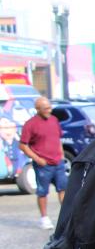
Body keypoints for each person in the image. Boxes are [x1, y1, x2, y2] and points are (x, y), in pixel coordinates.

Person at [19, 96, 66, 230]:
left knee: (63, 189)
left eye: (50, 107)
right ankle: (44, 218)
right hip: (43, 165)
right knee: (42, 191)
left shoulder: (54, 120)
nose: (49, 111)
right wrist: (37, 159)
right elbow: (23, 145)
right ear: (37, 109)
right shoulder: (30, 124)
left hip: (58, 162)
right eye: (45, 109)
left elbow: (58, 139)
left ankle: (66, 216)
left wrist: (61, 154)